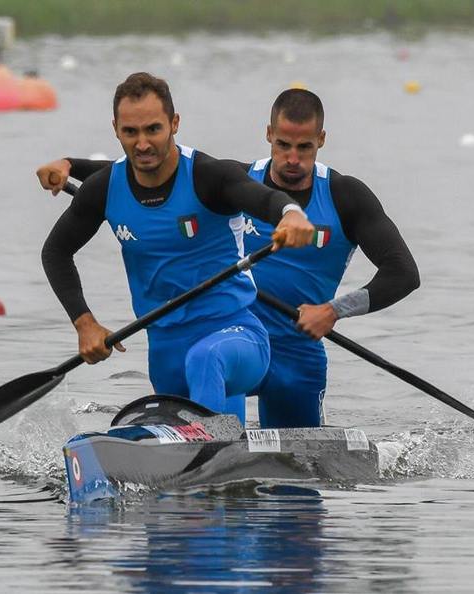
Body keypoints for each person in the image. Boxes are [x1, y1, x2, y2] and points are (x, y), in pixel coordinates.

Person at [41, 88, 420, 429]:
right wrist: (71, 165)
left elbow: (403, 274)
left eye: (304, 148)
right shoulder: (234, 179)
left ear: (321, 140)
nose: (292, 159)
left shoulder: (346, 197)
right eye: (283, 144)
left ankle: (220, 456)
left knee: (292, 487)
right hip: (219, 339)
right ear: (268, 134)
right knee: (208, 362)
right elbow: (150, 166)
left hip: (292, 350)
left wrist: (335, 310)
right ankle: (213, 460)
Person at [38, 73, 315, 425]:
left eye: (153, 129)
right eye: (130, 132)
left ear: (174, 123)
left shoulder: (208, 176)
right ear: (115, 129)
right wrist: (85, 323)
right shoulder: (104, 188)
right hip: (165, 349)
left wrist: (290, 214)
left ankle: (210, 451)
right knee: (206, 428)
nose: (142, 144)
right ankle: (216, 457)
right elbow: (56, 252)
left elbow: (263, 197)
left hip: (236, 337)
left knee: (205, 359)